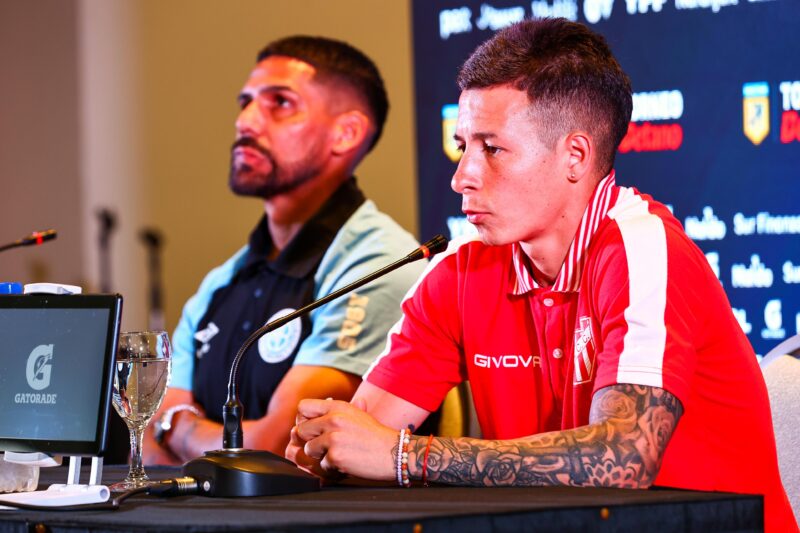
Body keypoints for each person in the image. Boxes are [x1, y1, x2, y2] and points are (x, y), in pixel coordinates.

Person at [287, 19, 797, 531]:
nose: (461, 176)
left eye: (492, 148)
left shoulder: (643, 249)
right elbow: (364, 437)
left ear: (574, 156)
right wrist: (328, 445)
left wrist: (404, 456)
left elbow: (623, 459)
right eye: (463, 146)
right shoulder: (461, 272)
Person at [143, 36, 425, 464]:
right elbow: (148, 444)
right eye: (246, 103)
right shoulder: (219, 283)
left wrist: (179, 428)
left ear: (346, 133)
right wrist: (174, 430)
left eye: (280, 103)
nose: (246, 122)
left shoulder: (381, 264)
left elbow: (280, 449)